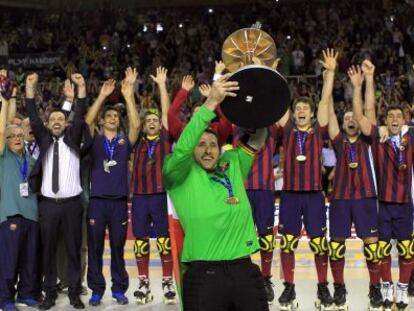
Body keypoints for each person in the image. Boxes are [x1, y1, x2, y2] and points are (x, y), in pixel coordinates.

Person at [163, 73, 269, 311]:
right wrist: (210, 102)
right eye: (200, 144)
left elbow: (259, 136)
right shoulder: (178, 172)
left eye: (212, 144)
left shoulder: (232, 163)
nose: (208, 150)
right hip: (203, 276)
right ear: (191, 148)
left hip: (244, 271)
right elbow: (182, 148)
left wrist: (259, 89)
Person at [276, 49, 337, 310]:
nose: (301, 110)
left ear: (311, 113)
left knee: (319, 243)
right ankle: (288, 287)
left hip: (313, 195)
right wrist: (271, 73)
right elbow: (278, 101)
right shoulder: (288, 129)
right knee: (287, 243)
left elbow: (325, 100)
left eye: (305, 108)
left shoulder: (318, 129)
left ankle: (323, 286)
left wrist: (331, 73)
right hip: (289, 195)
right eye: (297, 108)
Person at [351, 65, 414, 311]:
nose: (395, 120)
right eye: (391, 117)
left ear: (405, 120)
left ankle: (402, 289)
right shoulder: (378, 136)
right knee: (382, 250)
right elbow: (360, 116)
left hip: (406, 206)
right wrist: (358, 86)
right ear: (386, 121)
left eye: (399, 117)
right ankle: (387, 287)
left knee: (408, 251)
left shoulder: (411, 138)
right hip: (383, 205)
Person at [25, 72, 88, 310]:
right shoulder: (43, 140)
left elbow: (79, 114)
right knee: (48, 250)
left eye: (61, 118)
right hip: (48, 205)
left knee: (73, 250)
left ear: (66, 123)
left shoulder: (73, 137)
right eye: (53, 119)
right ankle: (49, 292)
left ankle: (74, 292)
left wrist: (81, 87)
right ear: (48, 124)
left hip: (72, 204)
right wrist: (30, 90)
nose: (57, 121)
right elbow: (32, 114)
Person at [327, 60, 383, 310]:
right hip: (339, 198)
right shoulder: (338, 140)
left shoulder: (369, 139)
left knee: (372, 247)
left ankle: (375, 288)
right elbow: (327, 111)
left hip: (366, 197)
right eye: (347, 117)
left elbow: (368, 109)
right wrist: (329, 76)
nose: (351, 119)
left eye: (353, 117)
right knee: (336, 247)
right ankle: (339, 288)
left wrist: (363, 83)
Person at [84, 68, 140, 306]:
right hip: (97, 201)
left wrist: (128, 96)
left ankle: (119, 288)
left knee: (118, 248)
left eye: (116, 117)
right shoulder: (95, 140)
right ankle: (97, 289)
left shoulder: (124, 142)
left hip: (118, 202)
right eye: (108, 116)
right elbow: (87, 121)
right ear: (103, 120)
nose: (112, 118)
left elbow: (136, 126)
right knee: (95, 249)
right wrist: (102, 96)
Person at [129, 66, 176, 304]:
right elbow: (134, 122)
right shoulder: (136, 140)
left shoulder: (166, 139)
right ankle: (144, 282)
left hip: (160, 195)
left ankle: (168, 282)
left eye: (155, 120)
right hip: (139, 196)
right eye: (148, 120)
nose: (151, 122)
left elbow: (167, 113)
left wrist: (161, 85)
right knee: (140, 240)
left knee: (164, 240)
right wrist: (129, 93)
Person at [0, 92, 40, 311]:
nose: (16, 138)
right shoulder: (4, 157)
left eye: (19, 135)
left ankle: (26, 293)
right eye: (11, 135)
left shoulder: (31, 160)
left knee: (29, 259)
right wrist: (7, 101)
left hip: (32, 214)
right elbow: (1, 128)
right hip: (10, 214)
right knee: (8, 260)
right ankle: (5, 298)